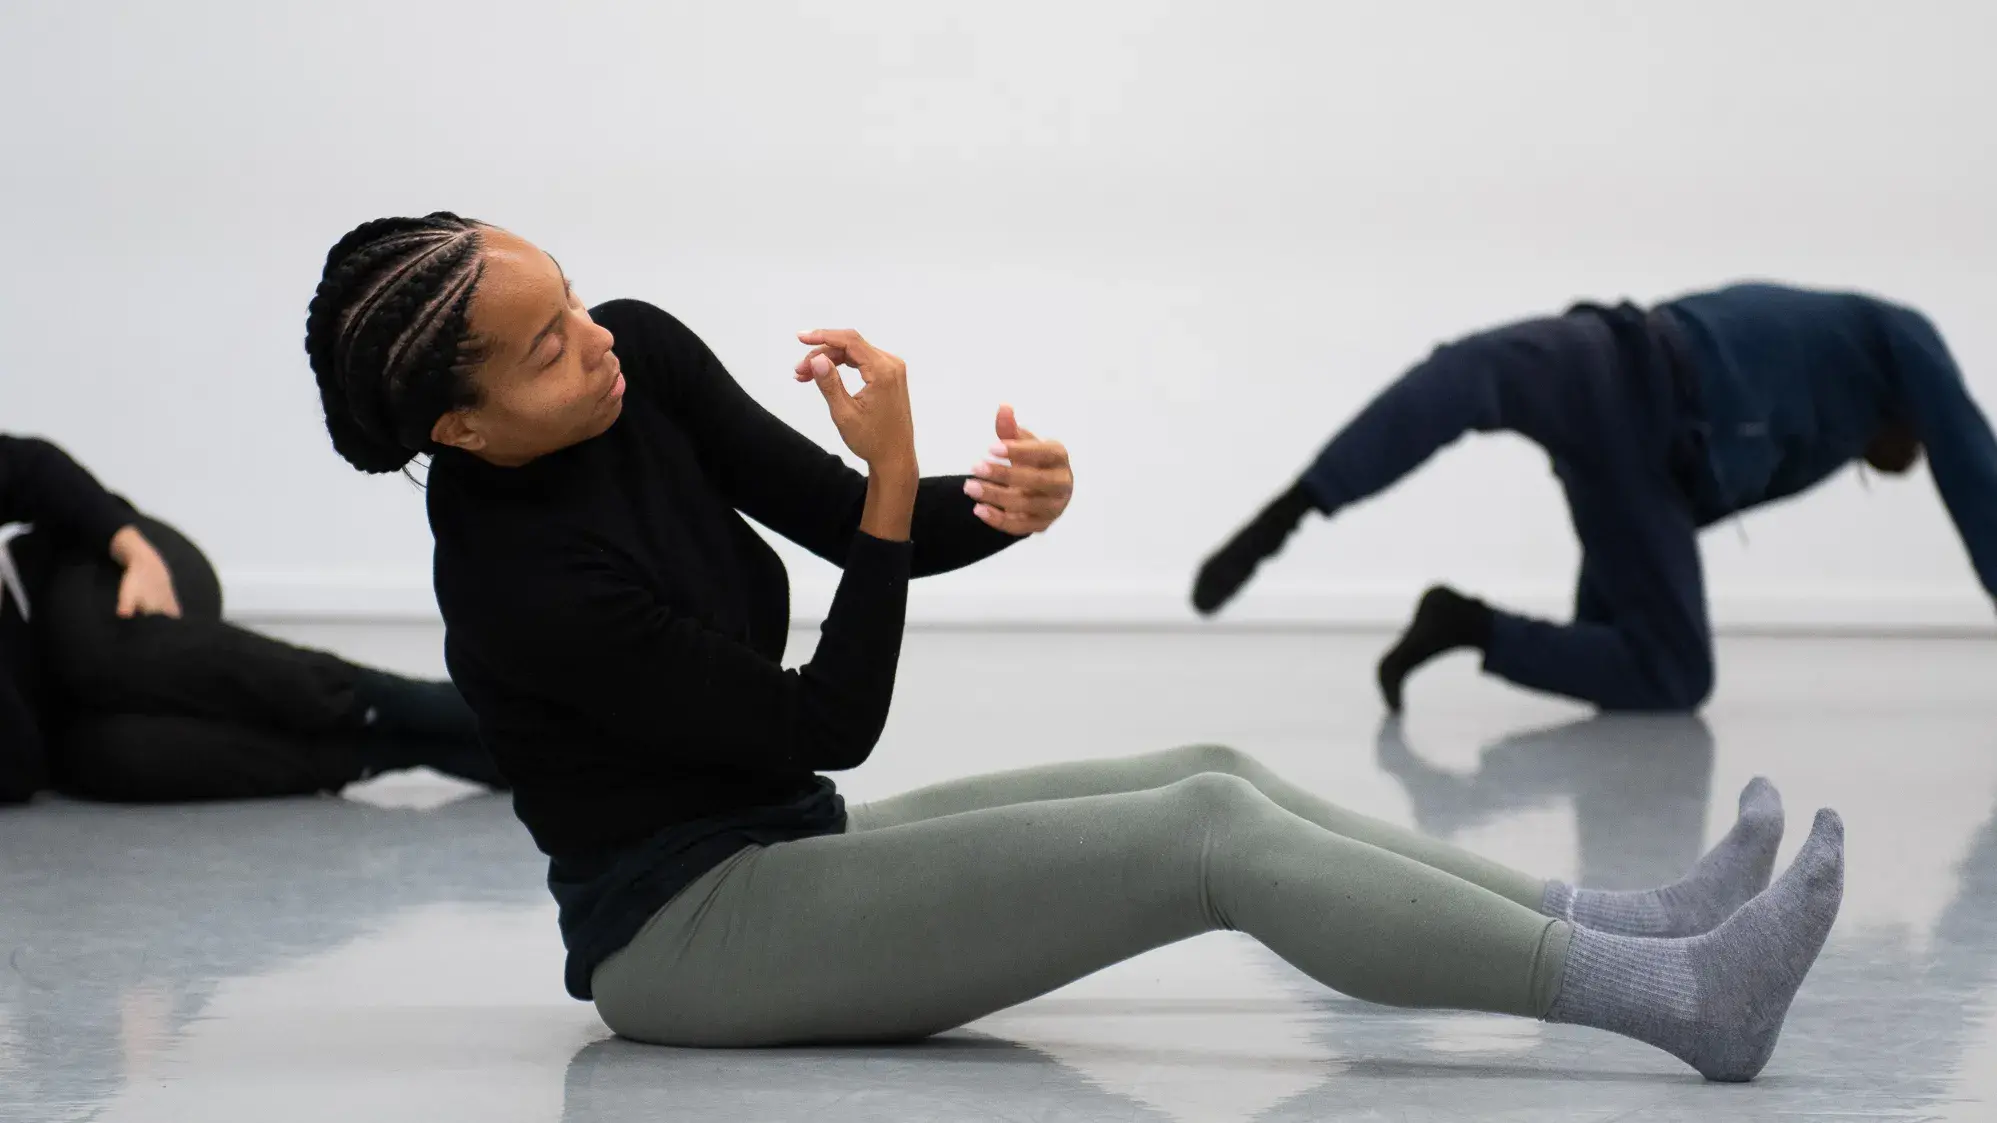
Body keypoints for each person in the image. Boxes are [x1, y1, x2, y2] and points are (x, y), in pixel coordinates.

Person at [306, 212, 1845, 1083]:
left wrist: (996, 502)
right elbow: (830, 717)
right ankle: (1677, 1000)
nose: (598, 336)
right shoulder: (518, 585)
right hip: (688, 940)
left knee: (1210, 766)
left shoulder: (636, 359)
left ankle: (1645, 919)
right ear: (458, 426)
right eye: (548, 345)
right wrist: (907, 481)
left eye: (569, 293)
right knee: (1208, 840)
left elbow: (849, 519)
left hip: (780, 842)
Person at [1191, 284, 1997, 712]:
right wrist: (1292, 510)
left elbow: (1696, 490)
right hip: (1618, 369)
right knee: (1673, 675)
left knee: (1615, 648)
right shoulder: (1901, 340)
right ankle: (1304, 519)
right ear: (1910, 417)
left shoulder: (1843, 414)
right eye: (1909, 446)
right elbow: (1977, 476)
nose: (1905, 460)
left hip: (1641, 467)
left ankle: (1459, 623)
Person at [0, 434, 504, 803]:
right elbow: (19, 771)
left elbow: (31, 468)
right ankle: (404, 750)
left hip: (111, 573)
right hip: (59, 712)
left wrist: (133, 549)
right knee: (115, 758)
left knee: (94, 654)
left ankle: (413, 703)